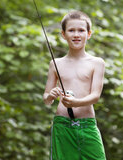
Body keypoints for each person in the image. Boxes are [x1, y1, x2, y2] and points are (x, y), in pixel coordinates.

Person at [43, 10, 106, 160]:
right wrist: (50, 96)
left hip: (87, 125)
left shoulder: (97, 63)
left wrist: (76, 103)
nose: (76, 34)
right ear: (63, 34)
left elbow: (95, 96)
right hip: (62, 125)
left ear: (89, 34)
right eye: (71, 30)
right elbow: (46, 99)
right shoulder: (55, 64)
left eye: (81, 30)